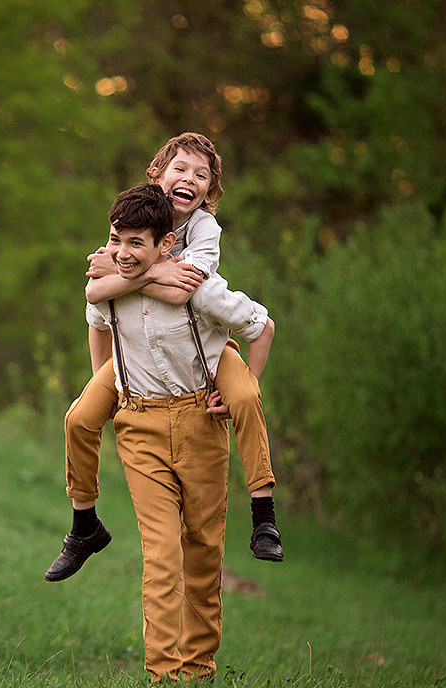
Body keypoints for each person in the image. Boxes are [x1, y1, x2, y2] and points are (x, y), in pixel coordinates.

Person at [45, 132, 281, 584]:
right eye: (180, 169)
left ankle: (264, 512)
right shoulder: (133, 216)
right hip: (134, 356)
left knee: (247, 396)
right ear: (156, 174)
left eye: (200, 175)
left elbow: (184, 288)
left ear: (210, 192)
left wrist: (127, 271)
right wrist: (109, 379)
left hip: (207, 346)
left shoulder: (205, 230)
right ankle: (83, 525)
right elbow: (95, 293)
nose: (188, 179)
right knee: (78, 420)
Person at [77, 183, 274, 680]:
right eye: (116, 241)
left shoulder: (196, 285)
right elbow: (97, 320)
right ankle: (161, 674)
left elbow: (259, 325)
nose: (122, 253)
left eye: (136, 243)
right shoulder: (111, 279)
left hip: (198, 423)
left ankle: (199, 668)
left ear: (166, 245)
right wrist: (113, 386)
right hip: (140, 425)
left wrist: (238, 389)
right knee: (161, 555)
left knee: (203, 552)